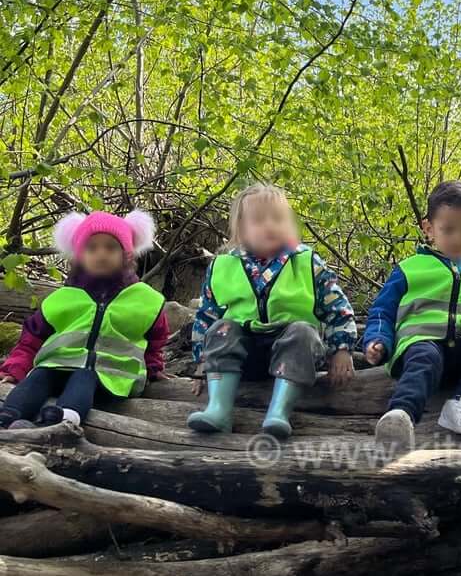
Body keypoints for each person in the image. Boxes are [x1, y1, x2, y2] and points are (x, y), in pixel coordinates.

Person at [188, 183, 356, 439]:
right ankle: (218, 410)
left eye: (278, 219)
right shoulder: (223, 266)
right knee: (223, 328)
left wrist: (341, 349)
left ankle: (279, 411)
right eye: (259, 220)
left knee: (302, 331)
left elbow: (337, 307)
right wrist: (202, 363)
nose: (270, 226)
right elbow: (206, 316)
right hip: (245, 356)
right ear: (241, 230)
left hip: (295, 353)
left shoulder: (307, 262)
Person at [362, 181, 461, 456]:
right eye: (448, 230)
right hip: (423, 345)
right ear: (428, 229)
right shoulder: (409, 268)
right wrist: (377, 339)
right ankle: (400, 416)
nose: (458, 238)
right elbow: (383, 310)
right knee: (424, 357)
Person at [0, 209, 167, 429]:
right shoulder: (62, 298)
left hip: (112, 375)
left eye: (111, 247)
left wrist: (154, 368)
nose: (101, 254)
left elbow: (155, 340)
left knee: (84, 375)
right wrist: (15, 368)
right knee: (40, 374)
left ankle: (62, 422)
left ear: (126, 254)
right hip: (57, 365)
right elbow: (31, 339)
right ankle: (8, 417)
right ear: (80, 255)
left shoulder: (146, 300)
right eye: (92, 248)